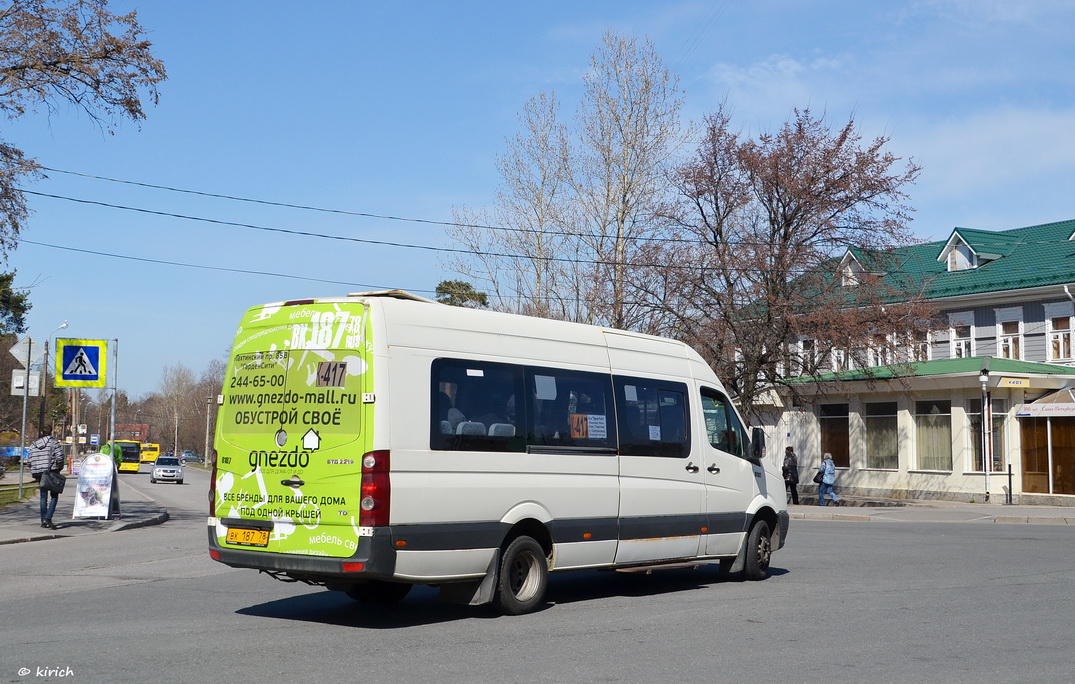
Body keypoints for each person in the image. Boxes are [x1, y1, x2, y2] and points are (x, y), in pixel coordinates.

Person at [28, 428, 66, 529]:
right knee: (54, 495)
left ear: (41, 432)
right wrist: (59, 467)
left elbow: (29, 461)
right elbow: (60, 457)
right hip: (51, 472)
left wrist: (35, 469)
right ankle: (48, 518)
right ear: (51, 432)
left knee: (43, 497)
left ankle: (43, 520)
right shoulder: (54, 443)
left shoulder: (33, 445)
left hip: (39, 473)